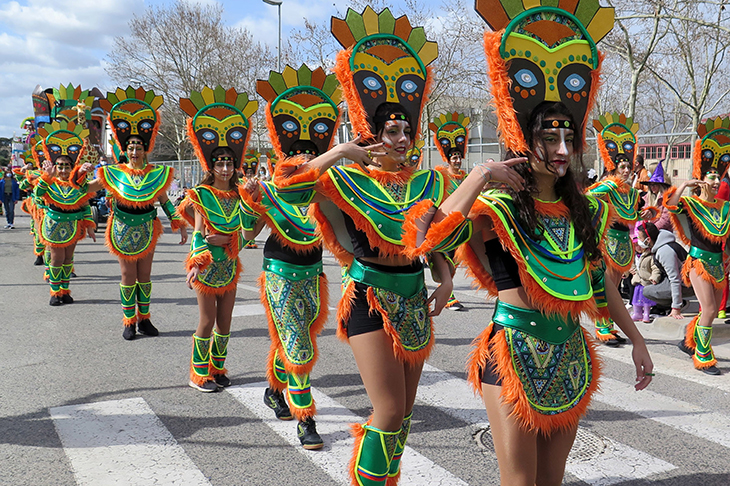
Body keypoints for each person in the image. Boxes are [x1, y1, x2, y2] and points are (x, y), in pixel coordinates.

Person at [423, 3, 654, 485]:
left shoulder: (583, 212)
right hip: (513, 355)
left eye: (568, 137)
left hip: (570, 356)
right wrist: (483, 173)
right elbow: (431, 237)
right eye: (549, 138)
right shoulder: (496, 209)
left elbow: (600, 286)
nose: (562, 150)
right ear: (525, 139)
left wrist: (636, 342)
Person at [274, 7, 463, 484]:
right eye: (391, 131)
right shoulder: (342, 179)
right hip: (369, 299)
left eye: (406, 131)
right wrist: (339, 150)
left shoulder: (427, 180)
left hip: (414, 298)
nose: (401, 139)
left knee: (404, 421)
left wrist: (443, 276)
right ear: (372, 134)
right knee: (389, 411)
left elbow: (430, 233)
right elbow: (289, 187)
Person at [241, 64, 339, 449]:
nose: (302, 154)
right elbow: (246, 233)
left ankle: (273, 390)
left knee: (294, 338)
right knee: (298, 344)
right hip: (280, 273)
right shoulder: (270, 191)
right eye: (294, 148)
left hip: (314, 275)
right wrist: (251, 202)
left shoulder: (328, 191)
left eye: (309, 149)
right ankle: (306, 419)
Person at [88, 87, 188, 340]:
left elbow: (163, 198)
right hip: (122, 228)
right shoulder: (113, 172)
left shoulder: (156, 174)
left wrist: (178, 220)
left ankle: (144, 320)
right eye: (131, 146)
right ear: (125, 148)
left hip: (146, 228)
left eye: (139, 147)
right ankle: (128, 321)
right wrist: (78, 173)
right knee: (127, 276)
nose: (134, 151)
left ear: (146, 149)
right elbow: (86, 189)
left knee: (145, 277)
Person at [177, 87, 258, 392]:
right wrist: (197, 262)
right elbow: (199, 232)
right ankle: (199, 375)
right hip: (208, 268)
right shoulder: (202, 195)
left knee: (225, 324)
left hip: (230, 267)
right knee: (207, 321)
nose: (224, 168)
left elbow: (247, 229)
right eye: (219, 163)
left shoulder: (240, 194)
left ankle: (218, 368)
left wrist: (229, 237)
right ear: (210, 166)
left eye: (229, 163)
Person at [666, 116, 730, 376]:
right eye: (711, 177)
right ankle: (703, 355)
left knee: (711, 313)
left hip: (718, 265)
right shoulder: (691, 204)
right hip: (698, 263)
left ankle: (688, 340)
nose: (715, 182)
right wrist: (684, 185)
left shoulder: (725, 207)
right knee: (711, 309)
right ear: (702, 178)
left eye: (719, 177)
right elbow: (669, 204)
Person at [587, 113, 648, 345]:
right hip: (609, 241)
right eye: (622, 166)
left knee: (614, 284)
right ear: (613, 166)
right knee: (607, 284)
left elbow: (632, 215)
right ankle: (602, 326)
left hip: (624, 243)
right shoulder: (608, 187)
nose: (626, 170)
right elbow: (588, 196)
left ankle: (609, 324)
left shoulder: (633, 193)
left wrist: (645, 214)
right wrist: (609, 182)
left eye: (628, 166)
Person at [34, 120, 96, 305]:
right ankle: (54, 292)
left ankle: (64, 290)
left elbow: (84, 205)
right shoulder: (49, 182)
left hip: (73, 226)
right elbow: (38, 195)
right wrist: (47, 176)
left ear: (71, 167)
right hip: (54, 225)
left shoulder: (77, 185)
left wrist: (90, 226)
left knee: (69, 259)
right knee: (56, 259)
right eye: (59, 166)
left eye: (66, 166)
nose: (62, 169)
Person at [429, 112, 472, 311]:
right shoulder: (440, 176)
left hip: (460, 225)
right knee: (444, 257)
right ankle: (450, 295)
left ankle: (446, 288)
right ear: (448, 159)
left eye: (458, 157)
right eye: (453, 157)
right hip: (443, 223)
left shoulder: (466, 178)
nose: (456, 160)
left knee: (453, 260)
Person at [639, 221, 688, 319]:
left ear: (648, 239)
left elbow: (675, 279)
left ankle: (679, 303)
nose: (639, 241)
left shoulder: (665, 251)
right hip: (678, 281)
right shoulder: (661, 245)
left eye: (640, 238)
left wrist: (676, 308)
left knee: (647, 291)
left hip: (686, 284)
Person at [631, 228, 660, 323]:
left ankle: (646, 314)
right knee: (636, 299)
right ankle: (637, 313)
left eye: (639, 245)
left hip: (647, 281)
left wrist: (654, 277)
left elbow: (655, 268)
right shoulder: (635, 256)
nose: (637, 247)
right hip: (638, 281)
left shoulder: (650, 256)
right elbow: (633, 265)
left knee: (646, 301)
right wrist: (630, 271)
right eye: (635, 246)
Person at [639, 160, 672, 231]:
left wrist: (651, 231)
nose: (652, 187)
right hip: (647, 232)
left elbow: (665, 220)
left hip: (662, 233)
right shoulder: (646, 197)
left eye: (655, 184)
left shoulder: (668, 198)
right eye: (650, 184)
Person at [1, 165, 20, 229]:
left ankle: (11, 223)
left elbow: (17, 189)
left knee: (11, 210)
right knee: (7, 210)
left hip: (12, 196)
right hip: (5, 196)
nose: (8, 174)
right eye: (7, 173)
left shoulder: (14, 181)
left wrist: (17, 198)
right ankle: (8, 222)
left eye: (9, 173)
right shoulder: (2, 181)